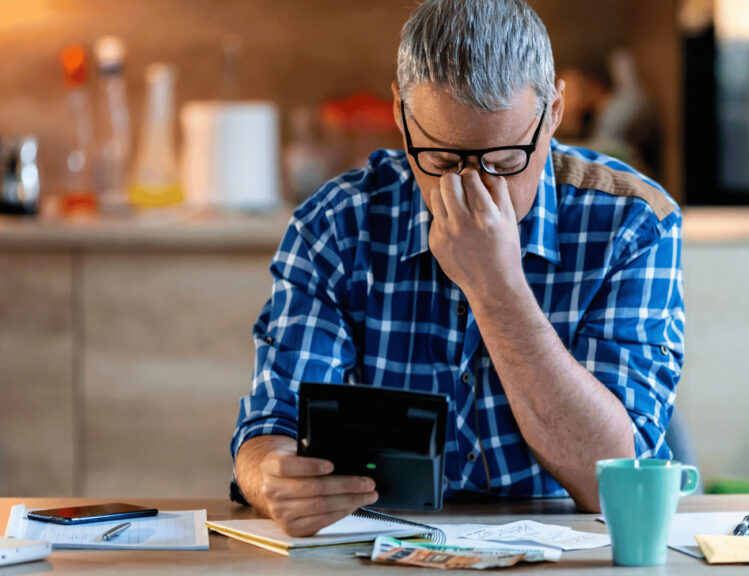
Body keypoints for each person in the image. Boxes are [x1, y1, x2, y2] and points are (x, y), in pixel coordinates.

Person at [231, 0, 684, 537]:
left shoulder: (632, 223)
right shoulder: (335, 225)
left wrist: (496, 287)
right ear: (401, 116)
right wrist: (273, 478)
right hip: (378, 547)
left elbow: (617, 483)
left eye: (506, 160)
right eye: (443, 161)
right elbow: (271, 427)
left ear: (555, 111)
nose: (474, 190)